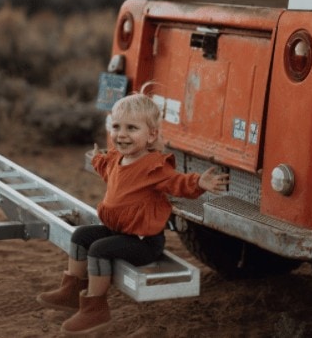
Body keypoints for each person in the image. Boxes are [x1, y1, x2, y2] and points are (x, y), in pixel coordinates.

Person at [37, 89, 229, 335]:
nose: (122, 135)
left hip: (143, 241)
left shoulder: (153, 166)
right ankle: (71, 291)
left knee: (98, 250)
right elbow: (108, 170)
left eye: (131, 128)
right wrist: (97, 159)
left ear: (151, 136)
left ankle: (95, 308)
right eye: (116, 127)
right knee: (81, 236)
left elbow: (176, 182)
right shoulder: (118, 159)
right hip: (118, 230)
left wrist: (199, 183)